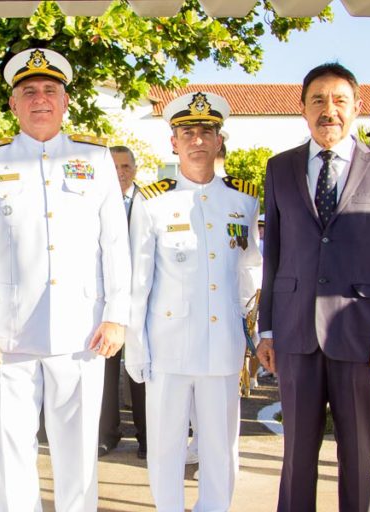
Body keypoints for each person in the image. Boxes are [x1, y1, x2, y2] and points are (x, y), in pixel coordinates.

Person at [0, 48, 131, 511]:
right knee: (12, 452)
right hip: (6, 335)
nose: (39, 99)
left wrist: (117, 316)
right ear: (13, 105)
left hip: (81, 331)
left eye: (49, 91)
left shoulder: (94, 160)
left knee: (77, 454)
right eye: (28, 91)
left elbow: (116, 244)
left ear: (65, 101)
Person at [256, 63, 370, 512]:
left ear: (357, 109)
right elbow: (274, 255)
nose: (329, 110)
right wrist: (266, 328)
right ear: (303, 108)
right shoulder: (280, 168)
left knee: (357, 457)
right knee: (296, 458)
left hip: (363, 337)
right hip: (295, 335)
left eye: (339, 101)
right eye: (318, 101)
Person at [125, 91, 262, 511]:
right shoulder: (153, 200)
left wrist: (251, 334)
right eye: (188, 132)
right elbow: (139, 281)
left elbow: (251, 269)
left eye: (207, 131)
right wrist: (136, 345)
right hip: (167, 344)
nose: (197, 139)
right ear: (173, 142)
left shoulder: (244, 198)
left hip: (223, 345)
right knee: (165, 447)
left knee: (221, 448)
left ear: (220, 140)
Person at [98, 145, 147, 459]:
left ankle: (146, 437)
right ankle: (106, 434)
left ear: (135, 169)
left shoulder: (151, 200)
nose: (120, 172)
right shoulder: (95, 201)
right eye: (114, 167)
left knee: (142, 369)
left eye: (126, 166)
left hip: (143, 298)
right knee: (105, 370)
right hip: (106, 300)